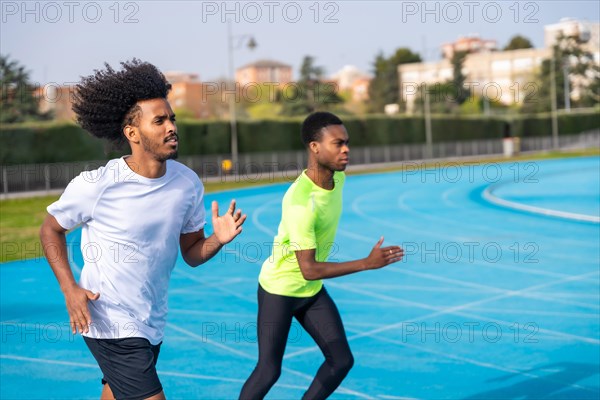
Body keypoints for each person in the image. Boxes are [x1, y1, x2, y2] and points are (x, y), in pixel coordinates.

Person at [39, 59, 246, 400]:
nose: (171, 128)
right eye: (159, 121)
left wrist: (217, 240)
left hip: (151, 318)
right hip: (109, 319)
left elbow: (192, 253)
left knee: (115, 394)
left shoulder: (187, 184)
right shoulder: (98, 185)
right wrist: (69, 288)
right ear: (132, 133)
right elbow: (50, 230)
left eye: (172, 119)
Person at [239, 112, 404, 399]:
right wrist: (366, 263)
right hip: (280, 289)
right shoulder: (301, 202)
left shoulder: (337, 178)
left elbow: (310, 277)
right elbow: (309, 269)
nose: (346, 149)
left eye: (347, 143)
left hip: (310, 291)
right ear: (315, 147)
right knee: (269, 370)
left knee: (341, 361)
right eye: (338, 143)